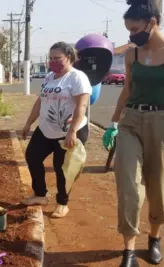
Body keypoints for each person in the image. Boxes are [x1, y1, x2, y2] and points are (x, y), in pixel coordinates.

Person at [102, 0, 164, 266]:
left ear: (152, 23)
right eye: (128, 30)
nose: (132, 36)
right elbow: (127, 89)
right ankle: (129, 249)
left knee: (157, 189)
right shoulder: (132, 54)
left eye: (135, 29)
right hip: (131, 121)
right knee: (128, 185)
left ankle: (154, 238)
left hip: (161, 123)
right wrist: (114, 123)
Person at [20, 42, 92, 218]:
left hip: (68, 132)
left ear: (68, 58)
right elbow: (40, 102)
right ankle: (40, 195)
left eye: (57, 58)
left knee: (62, 169)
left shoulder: (77, 77)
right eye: (50, 58)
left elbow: (82, 105)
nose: (53, 62)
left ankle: (62, 203)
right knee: (32, 156)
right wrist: (28, 123)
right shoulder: (49, 77)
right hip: (45, 128)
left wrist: (72, 131)